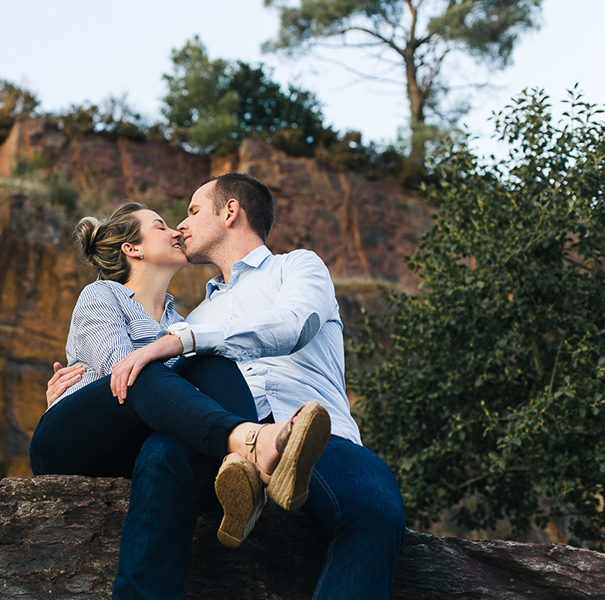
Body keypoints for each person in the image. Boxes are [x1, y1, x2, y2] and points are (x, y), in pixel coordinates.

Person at [48, 174, 406, 599]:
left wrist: (185, 341)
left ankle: (262, 456)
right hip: (219, 449)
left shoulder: (295, 267)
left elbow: (295, 325)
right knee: (161, 454)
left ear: (230, 211)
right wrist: (72, 394)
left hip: (309, 434)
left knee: (374, 506)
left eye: (193, 211)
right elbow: (153, 391)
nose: (181, 225)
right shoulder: (190, 317)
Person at [30, 201, 331, 551]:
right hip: (72, 442)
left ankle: (240, 474)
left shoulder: (181, 324)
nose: (176, 231)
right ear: (133, 249)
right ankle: (254, 442)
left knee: (212, 362)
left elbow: (179, 400)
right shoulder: (102, 295)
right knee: (141, 369)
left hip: (129, 449)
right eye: (160, 226)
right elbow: (122, 373)